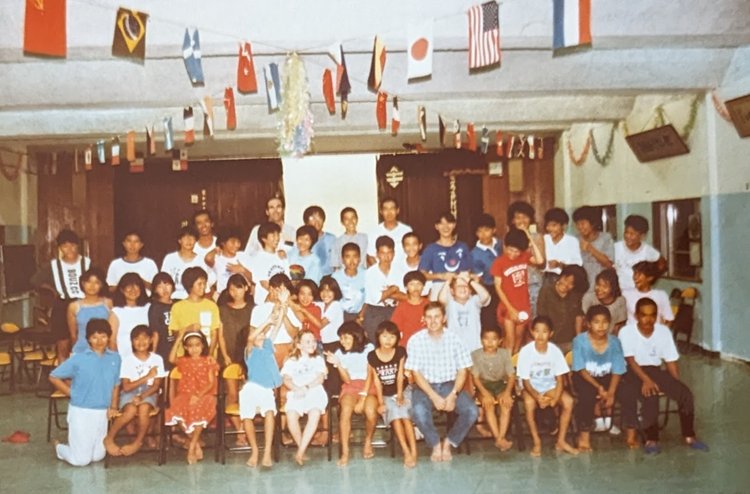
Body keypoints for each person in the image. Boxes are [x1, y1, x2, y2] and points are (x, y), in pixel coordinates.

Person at [618, 298, 709, 454]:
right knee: (651, 394)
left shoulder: (663, 332)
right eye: (644, 315)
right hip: (632, 372)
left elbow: (670, 360)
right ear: (636, 316)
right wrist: (646, 381)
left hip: (654, 370)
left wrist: (675, 384)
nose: (648, 319)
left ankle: (689, 436)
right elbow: (630, 361)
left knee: (685, 395)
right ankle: (651, 439)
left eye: (652, 315)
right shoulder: (626, 332)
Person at [405, 302, 478, 462]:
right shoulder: (416, 340)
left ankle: (449, 442)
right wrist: (433, 396)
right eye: (429, 317)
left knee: (472, 411)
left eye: (437, 317)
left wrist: (453, 395)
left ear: (444, 318)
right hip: (424, 386)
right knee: (418, 412)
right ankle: (435, 444)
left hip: (449, 385)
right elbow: (416, 373)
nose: (433, 321)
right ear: (423, 319)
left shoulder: (456, 339)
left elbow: (463, 370)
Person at [49, 319, 121, 466]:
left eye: (103, 336)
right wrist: (72, 393)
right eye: (94, 337)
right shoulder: (79, 359)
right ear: (88, 339)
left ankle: (76, 448)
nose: (99, 341)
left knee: (98, 456)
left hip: (102, 412)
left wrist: (113, 406)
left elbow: (116, 384)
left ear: (109, 337)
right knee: (81, 461)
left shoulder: (115, 358)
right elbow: (53, 377)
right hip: (81, 411)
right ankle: (59, 447)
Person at [517, 316, 578, 457]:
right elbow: (525, 381)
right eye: (537, 331)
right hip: (530, 387)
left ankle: (561, 441)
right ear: (532, 332)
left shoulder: (554, 351)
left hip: (550, 385)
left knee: (568, 402)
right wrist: (537, 397)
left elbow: (560, 379)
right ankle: (537, 442)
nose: (540, 335)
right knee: (529, 404)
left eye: (544, 331)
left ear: (551, 334)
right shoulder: (526, 351)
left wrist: (555, 399)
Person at [104, 325, 166, 457]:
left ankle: (137, 442)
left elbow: (156, 386)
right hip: (130, 392)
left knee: (144, 408)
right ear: (132, 342)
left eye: (145, 338)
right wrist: (147, 376)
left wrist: (142, 396)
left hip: (149, 392)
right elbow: (126, 387)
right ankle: (109, 438)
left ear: (151, 340)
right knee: (131, 410)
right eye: (137, 339)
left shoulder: (157, 359)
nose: (141, 342)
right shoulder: (127, 360)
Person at [571, 306, 626, 452]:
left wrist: (611, 393)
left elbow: (618, 369)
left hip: (607, 377)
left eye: (605, 322)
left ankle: (630, 430)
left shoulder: (615, 342)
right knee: (587, 396)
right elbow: (580, 369)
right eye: (596, 322)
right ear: (588, 324)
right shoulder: (579, 341)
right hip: (585, 377)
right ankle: (583, 436)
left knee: (627, 391)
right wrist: (599, 387)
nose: (601, 326)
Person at [32, 228, 91, 362]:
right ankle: (63, 374)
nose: (69, 249)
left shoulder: (87, 263)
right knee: (63, 345)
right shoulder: (53, 265)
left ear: (77, 246)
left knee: (84, 343)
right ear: (60, 248)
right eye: (65, 246)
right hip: (62, 305)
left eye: (72, 245)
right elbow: (35, 281)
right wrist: (52, 291)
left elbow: (100, 282)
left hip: (84, 305)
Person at [324, 322, 377, 466]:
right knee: (345, 411)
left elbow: (371, 375)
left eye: (346, 338)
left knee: (371, 412)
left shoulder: (369, 348)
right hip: (350, 386)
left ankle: (368, 441)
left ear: (356, 336)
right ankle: (345, 452)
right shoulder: (340, 353)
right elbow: (347, 380)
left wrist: (363, 398)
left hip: (368, 385)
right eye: (341, 338)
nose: (343, 341)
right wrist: (338, 364)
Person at [238, 305, 284, 468]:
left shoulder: (267, 347)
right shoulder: (249, 351)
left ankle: (267, 453)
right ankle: (255, 450)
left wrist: (283, 305)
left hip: (266, 390)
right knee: (247, 417)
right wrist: (267, 321)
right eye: (258, 333)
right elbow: (252, 338)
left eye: (263, 333)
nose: (261, 334)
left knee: (270, 413)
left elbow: (277, 325)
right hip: (250, 388)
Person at [165, 329, 219, 464]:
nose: (194, 349)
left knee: (199, 409)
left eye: (197, 345)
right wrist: (179, 339)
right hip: (186, 394)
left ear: (202, 346)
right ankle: (196, 444)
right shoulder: (184, 361)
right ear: (185, 347)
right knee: (176, 409)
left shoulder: (208, 361)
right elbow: (171, 358)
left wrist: (198, 395)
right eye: (190, 346)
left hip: (205, 394)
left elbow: (211, 383)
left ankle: (192, 446)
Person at [368, 321, 417, 468]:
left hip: (404, 389)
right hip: (386, 394)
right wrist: (381, 402)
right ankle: (406, 451)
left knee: (405, 416)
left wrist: (400, 394)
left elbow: (400, 375)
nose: (388, 340)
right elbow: (377, 381)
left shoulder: (400, 352)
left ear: (397, 338)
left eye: (392, 337)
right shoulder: (372, 356)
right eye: (384, 336)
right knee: (395, 416)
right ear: (378, 337)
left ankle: (414, 452)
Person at [491, 228, 544, 354]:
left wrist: (530, 239)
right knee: (510, 342)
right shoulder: (499, 262)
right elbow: (498, 287)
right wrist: (510, 309)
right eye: (510, 250)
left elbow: (540, 261)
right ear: (504, 246)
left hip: (523, 305)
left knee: (518, 340)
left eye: (517, 251)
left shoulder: (524, 256)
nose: (513, 254)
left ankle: (514, 365)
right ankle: (506, 366)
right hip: (507, 306)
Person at [281, 329, 329, 466]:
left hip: (314, 391)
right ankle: (302, 447)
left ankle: (300, 452)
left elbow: (320, 379)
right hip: (297, 391)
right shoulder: (291, 361)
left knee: (315, 414)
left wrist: (306, 388)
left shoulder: (318, 359)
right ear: (298, 345)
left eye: (313, 341)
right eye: (307, 341)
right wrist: (297, 388)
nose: (312, 344)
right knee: (291, 416)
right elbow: (286, 379)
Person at [470, 327, 516, 451]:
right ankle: (498, 438)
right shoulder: (476, 355)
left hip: (500, 384)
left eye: (494, 339)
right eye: (486, 339)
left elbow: (511, 376)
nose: (490, 342)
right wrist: (485, 394)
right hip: (483, 386)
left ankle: (501, 438)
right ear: (481, 340)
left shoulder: (504, 354)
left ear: (500, 341)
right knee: (488, 404)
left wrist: (507, 393)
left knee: (506, 404)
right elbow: (475, 378)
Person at [168, 267, 221, 358]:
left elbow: (214, 333)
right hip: (185, 358)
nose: (203, 286)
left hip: (207, 358)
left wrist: (210, 354)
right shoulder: (177, 307)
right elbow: (175, 334)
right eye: (199, 284)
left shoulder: (212, 306)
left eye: (204, 283)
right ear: (190, 285)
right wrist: (188, 329)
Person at [419, 212, 473, 300]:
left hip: (462, 288)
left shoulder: (463, 246)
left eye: (449, 223)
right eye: (441, 223)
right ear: (436, 226)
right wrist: (441, 276)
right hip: (439, 287)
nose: (446, 227)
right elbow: (422, 275)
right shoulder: (430, 249)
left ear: (454, 225)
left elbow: (470, 270)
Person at [250, 273, 300, 366]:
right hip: (266, 350)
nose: (280, 294)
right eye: (278, 290)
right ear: (270, 289)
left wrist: (283, 313)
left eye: (284, 291)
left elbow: (295, 335)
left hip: (288, 350)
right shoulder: (258, 309)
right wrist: (274, 314)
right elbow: (253, 336)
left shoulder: (291, 308)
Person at [536, 265, 587, 355]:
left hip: (569, 341)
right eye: (565, 279)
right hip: (550, 341)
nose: (566, 284)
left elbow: (578, 317)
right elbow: (541, 316)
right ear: (561, 275)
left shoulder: (575, 296)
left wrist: (578, 339)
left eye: (571, 284)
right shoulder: (546, 290)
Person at [362, 236, 404, 343]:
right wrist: (393, 289)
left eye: (389, 253)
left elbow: (405, 297)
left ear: (394, 254)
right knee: (376, 342)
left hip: (395, 310)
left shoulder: (399, 272)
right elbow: (376, 298)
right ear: (377, 254)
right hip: (375, 311)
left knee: (395, 342)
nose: (386, 257)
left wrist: (385, 293)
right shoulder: (370, 273)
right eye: (383, 253)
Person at [507, 201, 545, 318]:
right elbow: (508, 261)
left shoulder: (537, 237)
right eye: (518, 217)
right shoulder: (509, 238)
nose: (522, 220)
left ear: (530, 219)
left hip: (533, 283)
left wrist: (528, 237)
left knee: (533, 317)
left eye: (525, 217)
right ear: (512, 220)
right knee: (519, 318)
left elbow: (542, 263)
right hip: (515, 284)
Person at [437, 271, 491, 353]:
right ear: (452, 291)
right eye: (459, 286)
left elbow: (485, 296)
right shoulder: (450, 303)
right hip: (455, 349)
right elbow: (441, 299)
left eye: (466, 286)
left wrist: (469, 280)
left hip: (475, 348)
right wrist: (448, 281)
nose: (463, 288)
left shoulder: (474, 301)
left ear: (470, 291)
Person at [613, 214, 665, 291]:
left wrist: (651, 279)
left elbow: (662, 263)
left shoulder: (648, 250)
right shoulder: (615, 247)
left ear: (642, 236)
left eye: (632, 234)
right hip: (619, 291)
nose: (628, 236)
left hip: (639, 292)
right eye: (626, 232)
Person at [160, 226, 214, 300]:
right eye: (185, 237)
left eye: (192, 237)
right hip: (173, 299)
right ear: (179, 240)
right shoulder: (170, 259)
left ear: (196, 240)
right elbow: (163, 283)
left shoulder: (200, 260)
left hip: (193, 300)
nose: (189, 240)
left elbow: (205, 288)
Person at [67, 267, 111, 355]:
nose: (92, 286)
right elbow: (73, 335)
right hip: (81, 350)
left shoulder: (108, 303)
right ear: (83, 283)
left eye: (96, 282)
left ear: (101, 285)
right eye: (88, 282)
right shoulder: (74, 306)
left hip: (104, 351)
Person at [471, 213, 502, 330]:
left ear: (494, 230)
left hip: (508, 287)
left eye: (487, 230)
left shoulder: (501, 244)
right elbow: (480, 280)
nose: (483, 234)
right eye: (479, 231)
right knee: (491, 321)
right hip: (490, 289)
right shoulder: (474, 254)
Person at [572, 206, 614, 293]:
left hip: (601, 286)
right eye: (577, 224)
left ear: (593, 223)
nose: (580, 227)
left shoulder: (606, 238)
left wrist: (590, 248)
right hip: (581, 287)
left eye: (583, 223)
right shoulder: (575, 240)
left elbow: (609, 264)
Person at [248, 222, 291, 305]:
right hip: (265, 301)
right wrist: (280, 296)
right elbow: (264, 283)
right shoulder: (258, 258)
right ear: (264, 239)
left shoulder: (282, 255)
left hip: (283, 300)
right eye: (273, 235)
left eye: (278, 234)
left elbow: (288, 279)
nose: (277, 238)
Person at [110, 273, 150, 359]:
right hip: (124, 359)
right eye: (128, 286)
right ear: (122, 290)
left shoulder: (148, 308)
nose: (133, 289)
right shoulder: (116, 312)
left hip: (146, 359)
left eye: (136, 286)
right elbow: (112, 341)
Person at [217, 273, 254, 365]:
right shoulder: (223, 309)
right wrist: (225, 356)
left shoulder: (253, 309)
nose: (235, 292)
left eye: (238, 288)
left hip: (247, 356)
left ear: (246, 288)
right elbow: (220, 336)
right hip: (227, 357)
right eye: (232, 289)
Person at [542, 207, 582, 290]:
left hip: (564, 280)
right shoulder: (544, 239)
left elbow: (577, 265)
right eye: (548, 225)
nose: (550, 228)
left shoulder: (572, 241)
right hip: (544, 278)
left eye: (554, 225)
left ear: (564, 226)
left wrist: (559, 264)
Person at [623, 260, 674, 325]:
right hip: (632, 331)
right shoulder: (626, 293)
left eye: (639, 274)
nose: (635, 277)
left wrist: (662, 330)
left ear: (650, 278)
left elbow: (669, 319)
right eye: (635, 273)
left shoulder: (661, 295)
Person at [366, 197, 412, 267]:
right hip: (381, 271)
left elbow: (411, 254)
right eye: (386, 209)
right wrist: (380, 270)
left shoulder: (406, 230)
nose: (389, 212)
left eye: (392, 209)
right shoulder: (374, 232)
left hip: (403, 270)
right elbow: (370, 256)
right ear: (381, 211)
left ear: (397, 210)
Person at [208, 226, 253, 294]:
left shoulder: (243, 256)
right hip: (223, 295)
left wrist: (243, 270)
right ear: (223, 243)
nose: (237, 245)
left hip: (241, 295)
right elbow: (208, 258)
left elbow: (253, 279)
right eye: (233, 242)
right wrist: (215, 249)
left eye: (238, 242)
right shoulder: (218, 258)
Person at [390, 270, 429, 348]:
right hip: (407, 345)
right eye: (412, 284)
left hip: (426, 344)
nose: (416, 287)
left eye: (419, 284)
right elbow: (394, 329)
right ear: (406, 287)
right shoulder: (402, 306)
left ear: (423, 286)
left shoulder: (429, 305)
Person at [581, 268, 627, 334]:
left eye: (605, 286)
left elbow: (618, 326)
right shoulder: (589, 298)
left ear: (613, 288)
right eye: (598, 284)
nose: (600, 289)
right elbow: (583, 322)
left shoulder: (620, 301)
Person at [331, 243, 366, 322]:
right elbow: (333, 300)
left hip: (361, 313)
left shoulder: (366, 275)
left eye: (355, 256)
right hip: (340, 314)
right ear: (342, 259)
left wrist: (361, 315)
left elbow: (368, 298)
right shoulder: (336, 277)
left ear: (360, 259)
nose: (352, 261)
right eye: (348, 257)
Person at [149, 272, 175, 368]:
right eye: (160, 286)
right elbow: (155, 333)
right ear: (155, 290)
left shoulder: (178, 303)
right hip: (163, 349)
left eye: (167, 284)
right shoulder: (155, 308)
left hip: (179, 348)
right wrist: (153, 355)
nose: (164, 289)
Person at [303, 205, 336, 277]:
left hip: (328, 277)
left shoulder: (331, 239)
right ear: (306, 222)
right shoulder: (303, 240)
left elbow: (336, 263)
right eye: (313, 218)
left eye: (319, 217)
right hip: (309, 277)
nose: (317, 221)